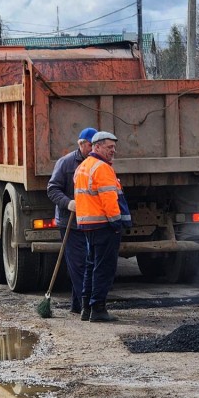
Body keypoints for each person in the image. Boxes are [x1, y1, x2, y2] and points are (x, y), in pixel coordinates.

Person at [74, 131, 131, 323]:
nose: (113, 151)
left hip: (88, 224)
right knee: (104, 268)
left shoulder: (83, 166)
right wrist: (116, 223)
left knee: (92, 266)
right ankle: (98, 309)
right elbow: (109, 200)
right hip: (103, 225)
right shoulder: (102, 168)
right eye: (109, 147)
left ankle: (86, 308)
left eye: (114, 147)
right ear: (96, 147)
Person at [46, 126, 97, 315]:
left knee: (88, 262)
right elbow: (52, 189)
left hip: (92, 222)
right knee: (78, 264)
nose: (94, 149)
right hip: (71, 222)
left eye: (96, 145)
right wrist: (68, 203)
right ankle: (86, 304)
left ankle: (78, 305)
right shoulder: (66, 163)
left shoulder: (97, 164)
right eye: (91, 145)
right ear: (81, 144)